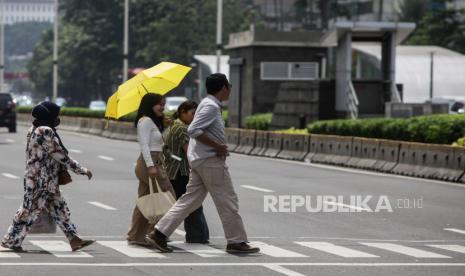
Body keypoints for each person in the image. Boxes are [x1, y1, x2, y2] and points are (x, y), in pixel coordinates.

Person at [146, 73, 260, 254]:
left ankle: (159, 233)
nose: (230, 89)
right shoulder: (211, 107)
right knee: (227, 200)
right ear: (223, 88)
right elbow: (193, 129)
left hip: (200, 160)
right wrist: (218, 146)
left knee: (189, 201)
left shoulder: (208, 104)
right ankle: (236, 241)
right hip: (210, 161)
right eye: (228, 86)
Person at [1, 102, 94, 252]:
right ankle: (10, 241)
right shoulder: (45, 131)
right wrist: (81, 170)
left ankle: (75, 239)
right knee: (28, 210)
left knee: (60, 209)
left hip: (43, 179)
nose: (58, 118)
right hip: (40, 181)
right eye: (56, 115)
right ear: (49, 115)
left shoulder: (34, 129)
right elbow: (60, 155)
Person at [127, 93, 175, 246]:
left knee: (145, 201)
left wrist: (166, 126)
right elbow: (144, 146)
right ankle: (154, 233)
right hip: (150, 163)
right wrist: (151, 166)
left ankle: (136, 235)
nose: (163, 107)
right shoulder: (145, 121)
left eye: (163, 104)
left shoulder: (155, 122)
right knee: (168, 196)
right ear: (150, 105)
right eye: (159, 104)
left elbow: (159, 143)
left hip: (157, 161)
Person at [164, 100, 209, 244]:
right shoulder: (181, 128)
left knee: (185, 204)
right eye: (192, 113)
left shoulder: (175, 124)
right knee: (191, 204)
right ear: (183, 111)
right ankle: (197, 235)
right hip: (180, 172)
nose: (194, 117)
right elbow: (189, 152)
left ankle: (197, 235)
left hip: (174, 170)